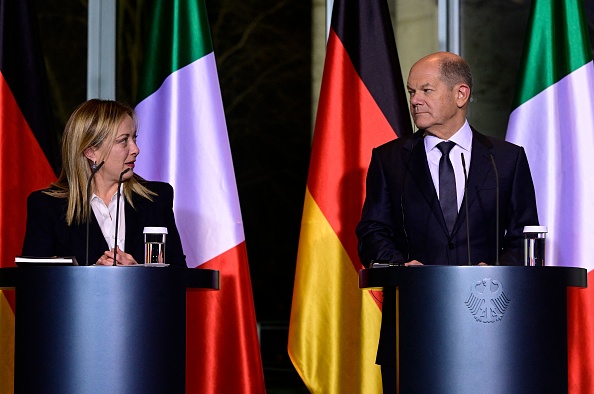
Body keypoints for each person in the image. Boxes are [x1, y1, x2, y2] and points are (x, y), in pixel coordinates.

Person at [355, 52, 539, 392]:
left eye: (426, 90)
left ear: (461, 94)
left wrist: (495, 270)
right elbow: (372, 230)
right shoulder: (389, 159)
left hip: (490, 326)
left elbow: (524, 238)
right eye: (412, 92)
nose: (415, 101)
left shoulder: (507, 159)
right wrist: (400, 265)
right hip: (413, 325)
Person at [22, 99, 187, 267]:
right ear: (91, 152)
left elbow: (180, 276)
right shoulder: (47, 206)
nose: (136, 149)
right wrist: (95, 275)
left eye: (134, 138)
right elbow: (35, 284)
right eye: (124, 140)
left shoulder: (156, 199)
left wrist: (137, 274)